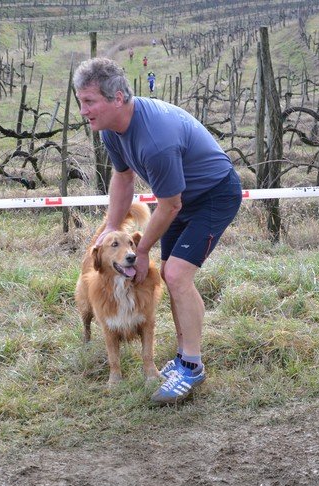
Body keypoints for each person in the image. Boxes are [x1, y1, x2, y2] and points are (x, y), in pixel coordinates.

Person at [73, 58, 242, 405]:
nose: (82, 110)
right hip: (180, 198)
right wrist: (110, 228)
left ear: (117, 98)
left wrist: (141, 250)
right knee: (170, 273)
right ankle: (184, 356)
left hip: (213, 195)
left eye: (89, 101)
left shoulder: (155, 141)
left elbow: (169, 206)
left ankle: (191, 367)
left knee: (176, 275)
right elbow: (123, 178)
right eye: (80, 101)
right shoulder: (111, 130)